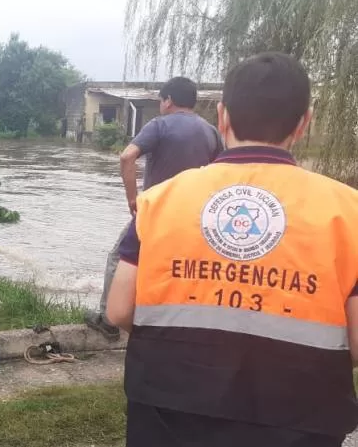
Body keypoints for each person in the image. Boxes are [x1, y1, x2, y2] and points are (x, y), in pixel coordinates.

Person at [106, 52, 358, 447]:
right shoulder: (349, 211)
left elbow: (120, 309)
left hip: (167, 404)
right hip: (300, 414)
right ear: (304, 123)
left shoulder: (159, 201)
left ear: (222, 116)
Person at [86, 77, 223, 340]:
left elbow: (127, 156)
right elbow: (222, 171)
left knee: (119, 257)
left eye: (161, 100)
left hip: (157, 210)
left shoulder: (159, 125)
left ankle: (108, 319)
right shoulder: (210, 131)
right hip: (197, 216)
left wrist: (132, 199)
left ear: (168, 100)